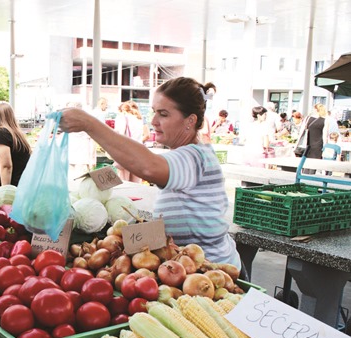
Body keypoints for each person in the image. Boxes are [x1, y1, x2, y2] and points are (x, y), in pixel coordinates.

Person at [60, 77, 241, 270]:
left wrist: (89, 124)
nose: (153, 121)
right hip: (185, 267)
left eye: (163, 114)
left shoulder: (195, 157)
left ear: (190, 121)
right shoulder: (188, 154)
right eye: (154, 112)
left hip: (213, 273)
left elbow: (149, 167)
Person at [0, 102, 31, 186]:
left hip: (13, 187)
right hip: (24, 184)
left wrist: (5, 190)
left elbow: (6, 166)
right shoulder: (17, 134)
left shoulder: (0, 133)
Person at [114, 101, 146, 182]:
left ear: (123, 110)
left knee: (124, 181)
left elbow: (118, 135)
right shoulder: (139, 119)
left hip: (126, 153)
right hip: (139, 153)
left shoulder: (123, 117)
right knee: (136, 181)